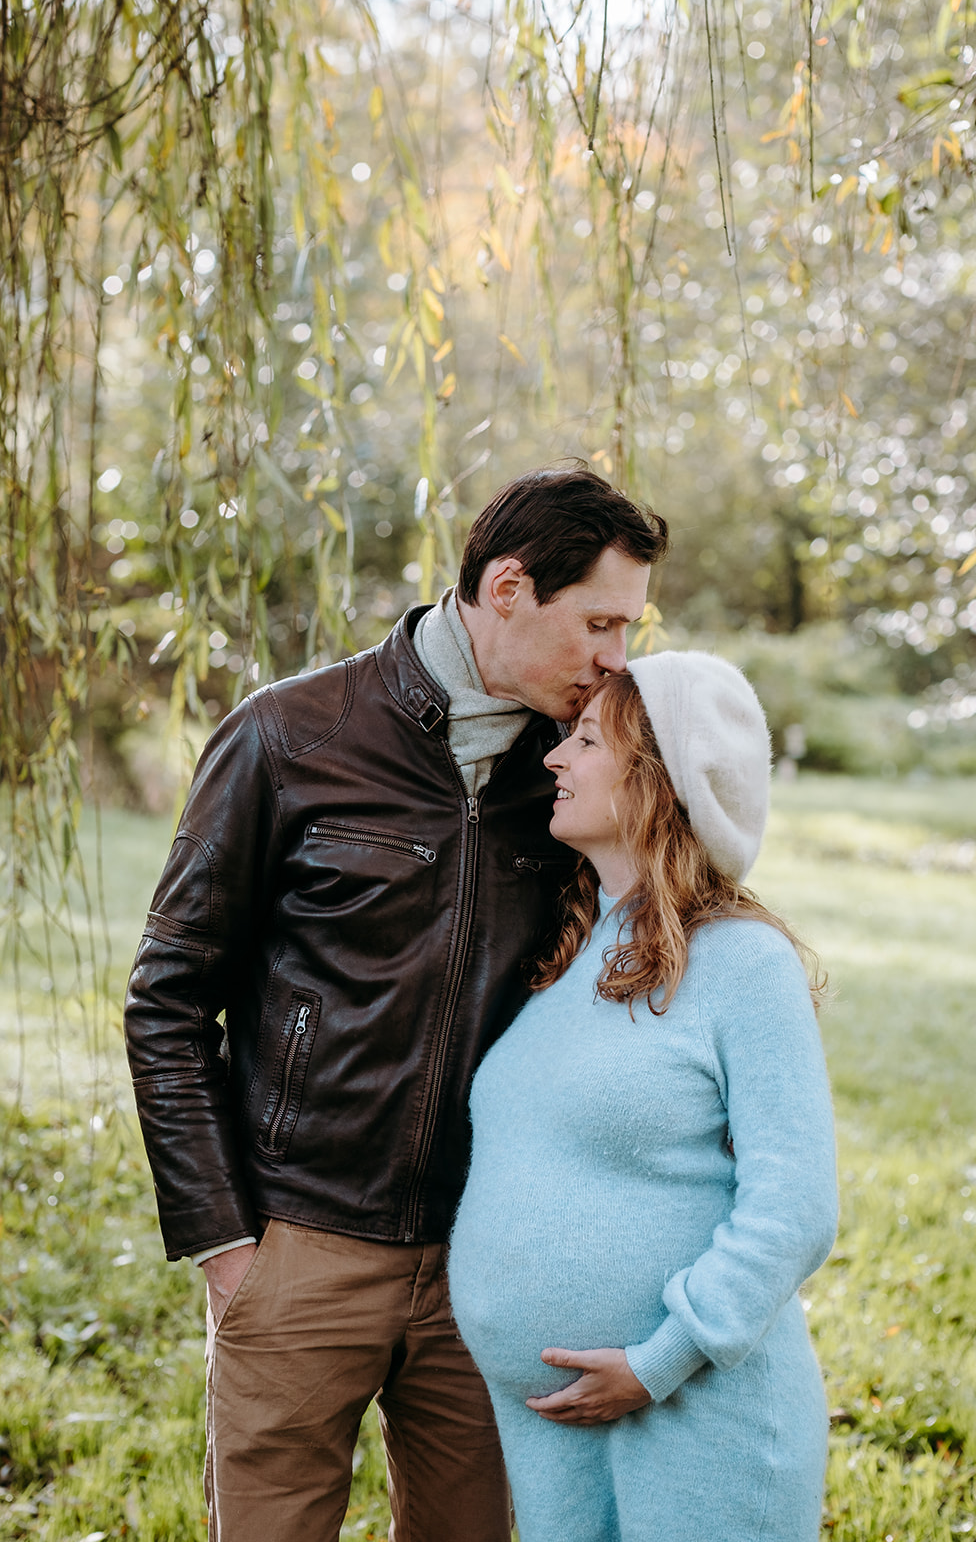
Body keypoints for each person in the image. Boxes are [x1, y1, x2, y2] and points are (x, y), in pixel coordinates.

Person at [123, 464, 668, 1542]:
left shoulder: (573, 775)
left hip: (490, 1264)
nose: (617, 658)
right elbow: (168, 1000)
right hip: (299, 1244)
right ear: (506, 587)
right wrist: (226, 1239)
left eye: (629, 627)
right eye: (600, 621)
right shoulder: (286, 735)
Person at [449, 651, 838, 1542]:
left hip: (698, 1421)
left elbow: (796, 1207)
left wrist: (659, 1360)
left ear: (661, 777)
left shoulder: (742, 962)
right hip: (553, 1429)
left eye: (585, 741)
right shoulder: (580, 948)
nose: (554, 759)